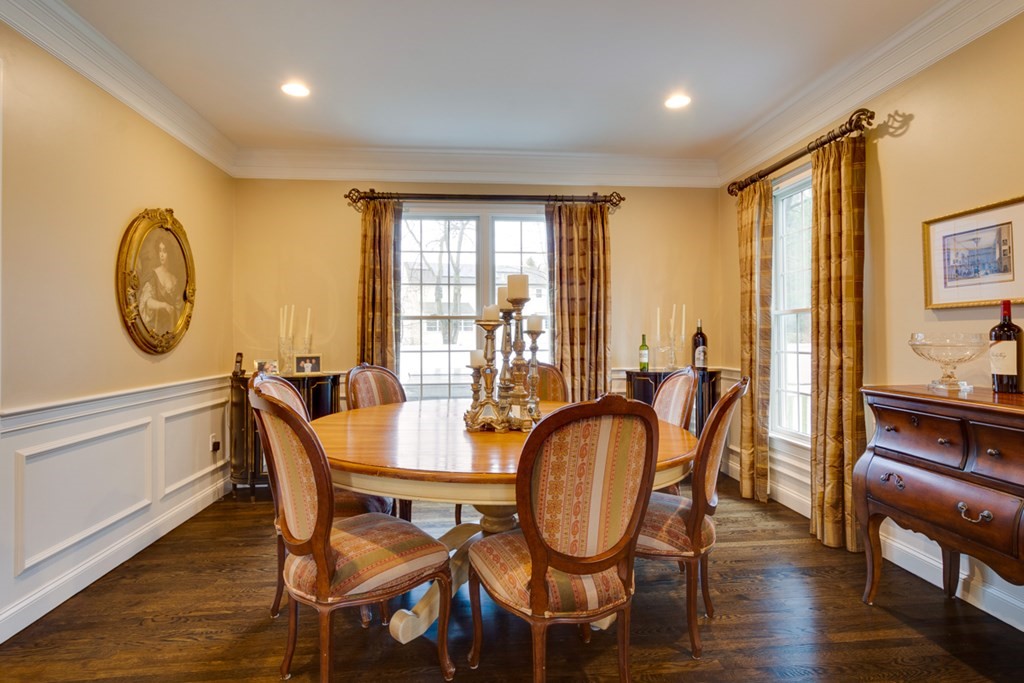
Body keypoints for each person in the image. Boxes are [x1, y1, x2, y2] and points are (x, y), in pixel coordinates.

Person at [138, 235, 183, 334]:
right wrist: (164, 305)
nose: (161, 255)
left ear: (169, 253)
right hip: (155, 326)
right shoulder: (154, 274)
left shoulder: (174, 279)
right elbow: (147, 301)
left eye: (165, 251)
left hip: (169, 328)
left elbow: (178, 309)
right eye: (160, 251)